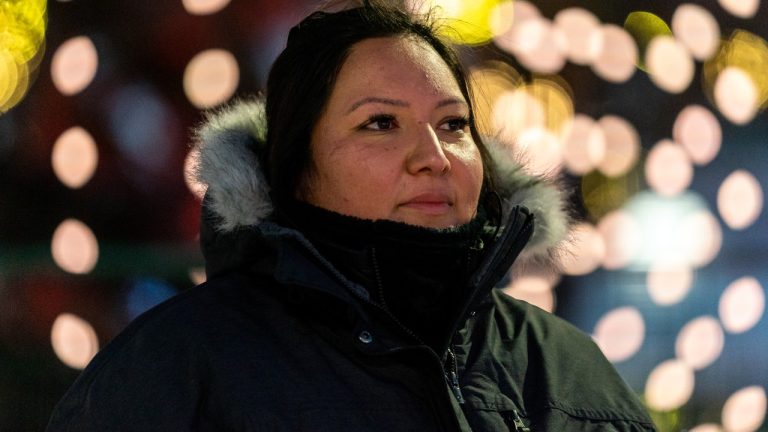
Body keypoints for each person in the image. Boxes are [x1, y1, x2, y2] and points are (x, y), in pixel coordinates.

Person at [47, 1, 656, 430]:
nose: (434, 158)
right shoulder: (173, 373)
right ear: (296, 169)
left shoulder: (570, 371)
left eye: (453, 124)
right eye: (380, 123)